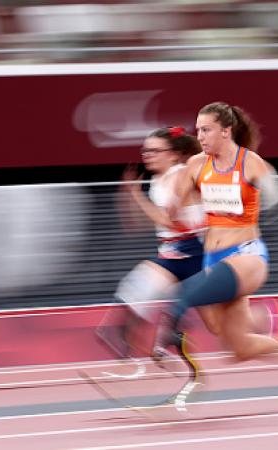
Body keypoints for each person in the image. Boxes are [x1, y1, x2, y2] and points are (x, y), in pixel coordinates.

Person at [157, 101, 278, 376]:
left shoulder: (251, 162)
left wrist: (256, 222)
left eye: (206, 130)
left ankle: (168, 335)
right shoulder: (197, 165)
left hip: (246, 256)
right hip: (214, 258)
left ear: (226, 130)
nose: (200, 137)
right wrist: (174, 186)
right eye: (198, 131)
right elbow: (174, 213)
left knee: (182, 297)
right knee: (238, 349)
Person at [95, 126, 211, 360]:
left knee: (222, 325)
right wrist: (129, 195)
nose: (147, 155)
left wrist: (136, 195)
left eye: (155, 150)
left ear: (173, 154)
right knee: (135, 291)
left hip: (198, 254)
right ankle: (137, 347)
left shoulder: (180, 175)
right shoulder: (159, 181)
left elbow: (168, 222)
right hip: (173, 256)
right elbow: (138, 226)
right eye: (145, 150)